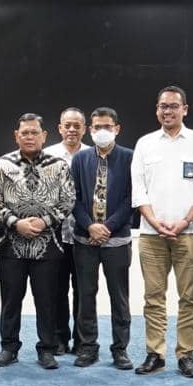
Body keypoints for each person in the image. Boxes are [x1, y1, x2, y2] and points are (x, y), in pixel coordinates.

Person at [130, 85, 193, 378]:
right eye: (163, 106)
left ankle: (186, 354)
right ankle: (156, 353)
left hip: (188, 232)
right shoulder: (145, 143)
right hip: (151, 235)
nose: (168, 111)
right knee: (154, 296)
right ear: (157, 110)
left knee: (188, 296)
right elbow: (138, 189)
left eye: (173, 106)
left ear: (185, 109)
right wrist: (155, 222)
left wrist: (183, 222)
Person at [0, 113, 76, 370]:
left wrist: (45, 221)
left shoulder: (59, 165)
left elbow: (69, 200)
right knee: (10, 300)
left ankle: (47, 349)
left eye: (34, 132)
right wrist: (15, 222)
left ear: (44, 136)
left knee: (47, 301)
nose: (29, 137)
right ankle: (9, 348)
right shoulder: (1, 165)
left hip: (48, 246)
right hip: (11, 245)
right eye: (24, 133)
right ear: (16, 136)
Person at [70, 107, 134, 370]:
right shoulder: (80, 159)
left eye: (107, 126)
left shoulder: (130, 158)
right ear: (90, 130)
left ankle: (120, 349)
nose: (102, 131)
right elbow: (71, 198)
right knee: (86, 295)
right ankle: (87, 347)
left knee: (119, 297)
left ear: (117, 128)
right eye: (97, 127)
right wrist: (89, 225)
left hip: (116, 239)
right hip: (85, 240)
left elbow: (133, 198)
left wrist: (107, 226)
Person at [44, 107, 89, 354]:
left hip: (84, 235)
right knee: (57, 289)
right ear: (59, 128)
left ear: (84, 128)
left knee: (83, 290)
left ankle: (82, 341)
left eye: (77, 125)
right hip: (55, 235)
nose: (72, 129)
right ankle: (60, 338)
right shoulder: (47, 155)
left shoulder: (94, 155)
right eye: (67, 125)